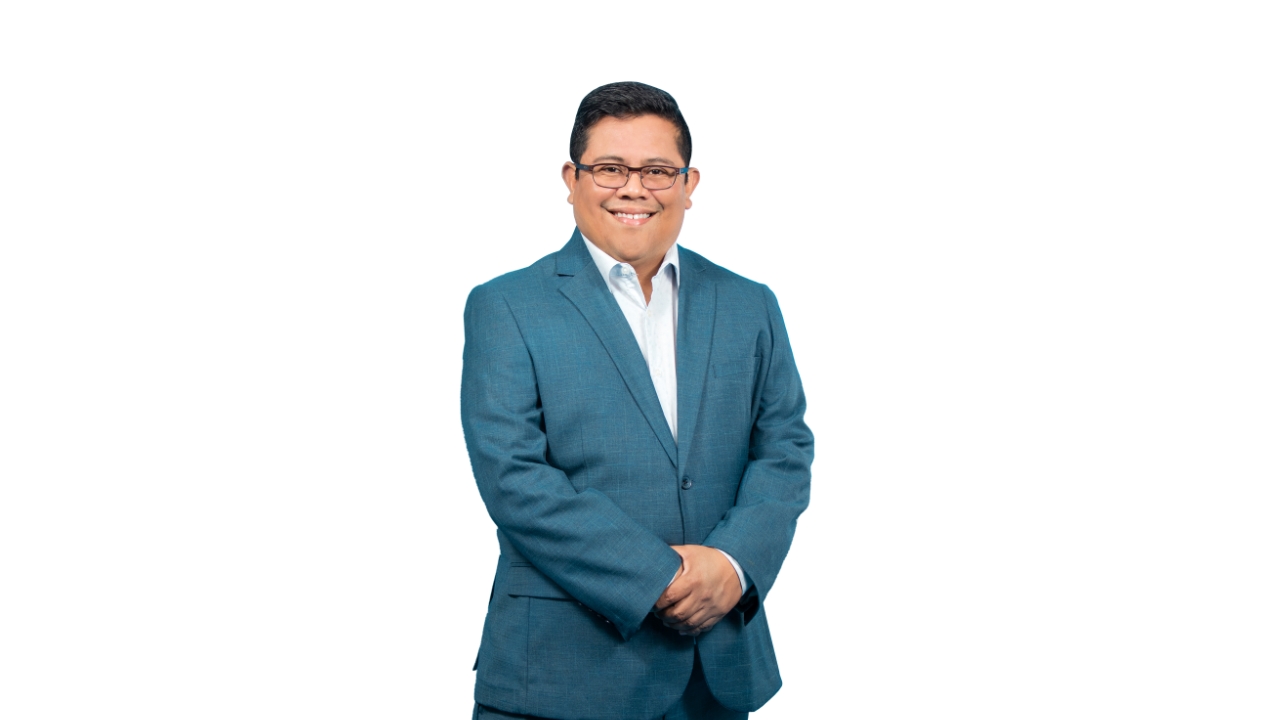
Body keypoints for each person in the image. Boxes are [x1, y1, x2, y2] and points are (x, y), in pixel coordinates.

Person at [461, 81, 814, 720]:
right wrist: (662, 578)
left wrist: (732, 565)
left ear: (688, 183)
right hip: (561, 676)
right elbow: (514, 480)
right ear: (571, 179)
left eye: (656, 170)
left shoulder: (750, 304)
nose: (633, 189)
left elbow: (784, 450)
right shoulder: (506, 306)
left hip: (716, 672)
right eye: (609, 169)